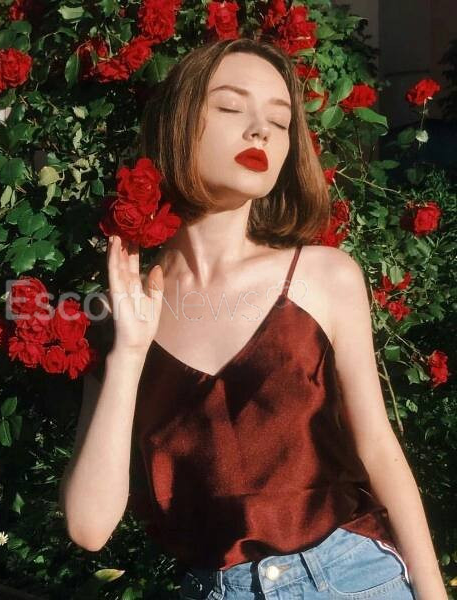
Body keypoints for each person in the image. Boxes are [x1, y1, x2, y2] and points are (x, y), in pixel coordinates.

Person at [59, 38, 447, 599]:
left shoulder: (324, 276)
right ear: (178, 123)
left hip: (354, 579)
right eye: (230, 106)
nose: (261, 130)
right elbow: (88, 528)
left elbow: (380, 452)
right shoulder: (122, 307)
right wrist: (129, 354)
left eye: (280, 120)